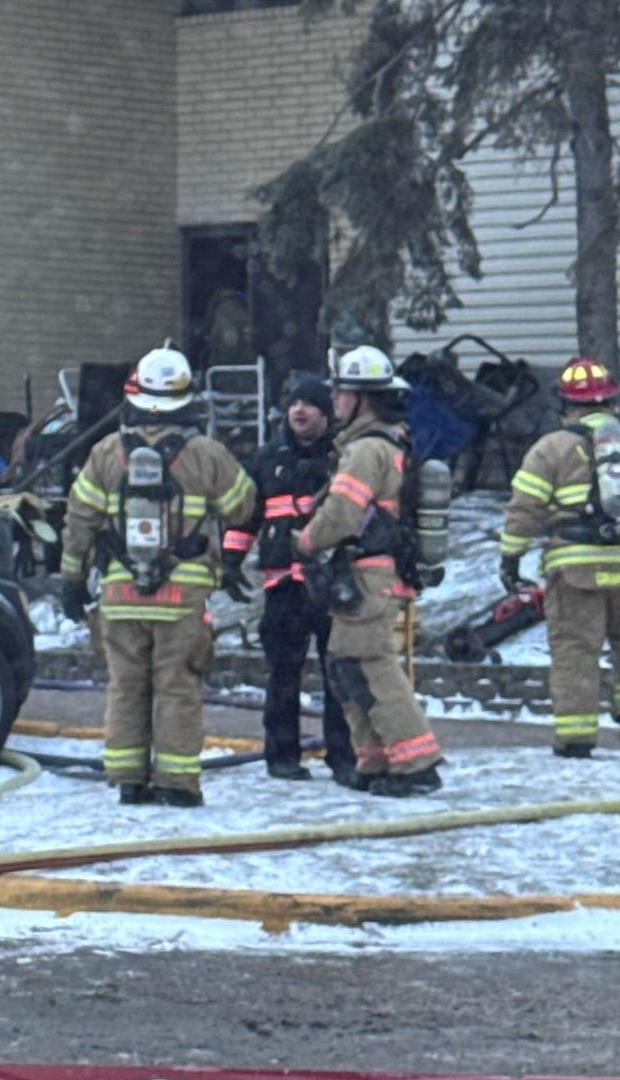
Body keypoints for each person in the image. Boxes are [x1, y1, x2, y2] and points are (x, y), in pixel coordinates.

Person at [60, 347, 255, 809]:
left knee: (126, 685)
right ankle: (177, 784)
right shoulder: (206, 455)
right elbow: (243, 507)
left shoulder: (106, 453)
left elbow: (78, 520)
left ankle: (129, 779)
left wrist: (72, 579)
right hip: (181, 597)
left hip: (119, 595)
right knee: (177, 687)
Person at [499, 358, 620, 757]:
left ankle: (576, 737)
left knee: (576, 649)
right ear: (612, 402)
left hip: (577, 572)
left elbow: (524, 509)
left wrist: (510, 557)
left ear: (566, 405)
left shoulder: (550, 449)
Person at [292, 346, 444, 796]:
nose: (334, 399)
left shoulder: (365, 450)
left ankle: (417, 765)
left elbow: (341, 512)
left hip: (367, 575)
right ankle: (378, 761)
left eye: (342, 392)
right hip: (370, 573)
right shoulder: (389, 442)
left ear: (364, 400)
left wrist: (305, 540)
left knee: (372, 666)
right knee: (348, 666)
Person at [222, 373, 356, 783]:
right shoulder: (266, 460)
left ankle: (344, 757)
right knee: (283, 674)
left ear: (326, 412)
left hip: (333, 584)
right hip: (284, 586)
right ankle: (281, 756)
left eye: (309, 403)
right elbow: (247, 517)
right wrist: (231, 560)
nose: (299, 410)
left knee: (339, 676)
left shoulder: (344, 458)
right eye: (293, 402)